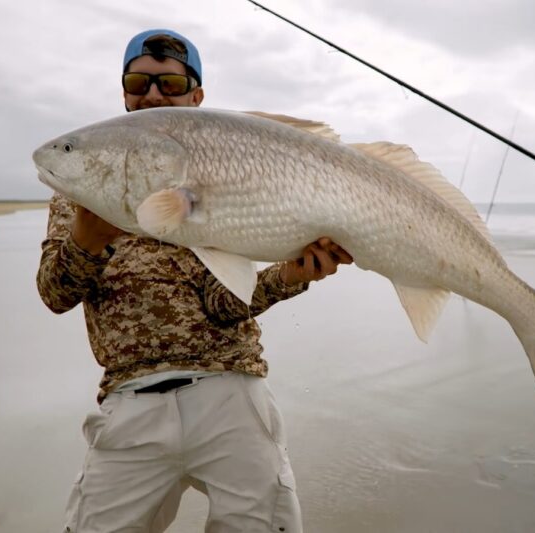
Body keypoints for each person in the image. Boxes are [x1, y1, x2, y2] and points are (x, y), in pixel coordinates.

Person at [37, 29, 352, 532]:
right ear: (123, 91)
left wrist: (292, 274)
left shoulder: (221, 179)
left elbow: (224, 303)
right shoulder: (77, 194)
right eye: (139, 81)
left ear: (197, 95)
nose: (153, 94)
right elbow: (55, 294)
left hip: (231, 391)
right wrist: (87, 238)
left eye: (170, 83)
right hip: (129, 401)